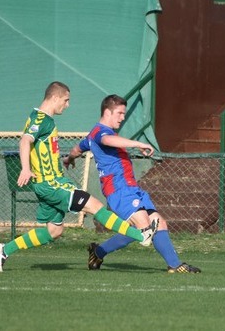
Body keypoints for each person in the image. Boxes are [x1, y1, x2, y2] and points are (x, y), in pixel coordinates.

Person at [0, 82, 158, 272]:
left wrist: (68, 158)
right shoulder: (41, 119)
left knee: (54, 231)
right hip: (52, 183)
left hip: (46, 184)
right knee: (95, 206)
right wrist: (25, 169)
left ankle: (4, 250)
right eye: (66, 100)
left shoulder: (40, 118)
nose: (67, 105)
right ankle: (141, 235)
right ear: (55, 98)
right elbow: (25, 141)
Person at [64, 94, 201, 274]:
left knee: (159, 223)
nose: (123, 117)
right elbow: (107, 141)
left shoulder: (94, 136)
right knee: (144, 229)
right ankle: (98, 252)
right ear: (107, 112)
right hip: (119, 190)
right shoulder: (100, 132)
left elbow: (77, 148)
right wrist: (137, 144)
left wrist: (69, 158)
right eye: (120, 113)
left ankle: (175, 265)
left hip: (132, 188)